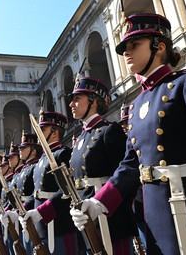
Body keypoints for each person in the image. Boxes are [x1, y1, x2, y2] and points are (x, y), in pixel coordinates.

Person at [71, 13, 186, 254]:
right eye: (125, 47)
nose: (126, 52)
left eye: (135, 45)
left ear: (160, 46)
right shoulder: (135, 105)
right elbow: (130, 164)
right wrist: (99, 201)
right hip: (155, 214)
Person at [68, 76, 137, 254]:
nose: (71, 104)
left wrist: (102, 203)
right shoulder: (81, 138)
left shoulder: (109, 131)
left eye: (77, 99)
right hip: (86, 219)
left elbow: (126, 177)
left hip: (111, 218)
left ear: (93, 101)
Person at [19, 111, 78, 254]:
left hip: (60, 223)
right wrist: (24, 208)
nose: (38, 132)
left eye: (43, 129)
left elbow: (68, 188)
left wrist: (43, 210)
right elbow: (37, 192)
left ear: (55, 132)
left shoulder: (63, 153)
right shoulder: (42, 160)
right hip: (42, 225)